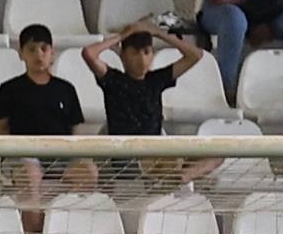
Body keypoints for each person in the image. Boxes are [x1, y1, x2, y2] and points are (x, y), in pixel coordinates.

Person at [82, 19, 220, 186]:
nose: (141, 58)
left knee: (216, 153)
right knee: (167, 158)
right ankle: (176, 177)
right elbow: (89, 53)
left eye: (146, 52)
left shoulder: (156, 79)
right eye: (135, 53)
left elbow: (196, 55)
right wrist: (123, 35)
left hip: (157, 152)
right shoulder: (113, 80)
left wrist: (159, 33)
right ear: (123, 55)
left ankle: (180, 178)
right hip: (127, 159)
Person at [0, 23, 98, 234]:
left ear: (52, 53)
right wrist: (16, 152)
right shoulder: (9, 90)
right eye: (32, 49)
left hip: (61, 157)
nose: (39, 55)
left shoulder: (66, 89)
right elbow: (0, 129)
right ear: (21, 54)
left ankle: (66, 231)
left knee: (89, 171)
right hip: (22, 157)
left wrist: (75, 156)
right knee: (31, 173)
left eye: (43, 48)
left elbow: (76, 129)